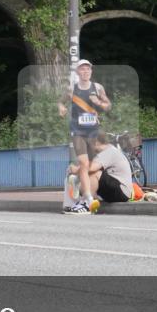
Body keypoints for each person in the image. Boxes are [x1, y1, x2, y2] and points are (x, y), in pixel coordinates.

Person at [58, 60, 111, 213]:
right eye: (82, 69)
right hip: (77, 130)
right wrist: (61, 108)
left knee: (88, 165)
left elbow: (108, 106)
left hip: (93, 131)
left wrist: (99, 103)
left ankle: (79, 183)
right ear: (77, 72)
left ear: (91, 72)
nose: (85, 72)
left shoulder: (98, 87)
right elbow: (61, 102)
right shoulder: (72, 89)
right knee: (84, 161)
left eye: (88, 69)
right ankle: (88, 197)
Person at [84, 133, 136, 206]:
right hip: (120, 191)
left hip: (122, 191)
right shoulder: (106, 152)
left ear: (96, 142)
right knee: (83, 181)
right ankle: (88, 201)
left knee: (94, 173)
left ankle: (87, 204)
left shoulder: (109, 151)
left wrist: (76, 169)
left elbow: (91, 168)